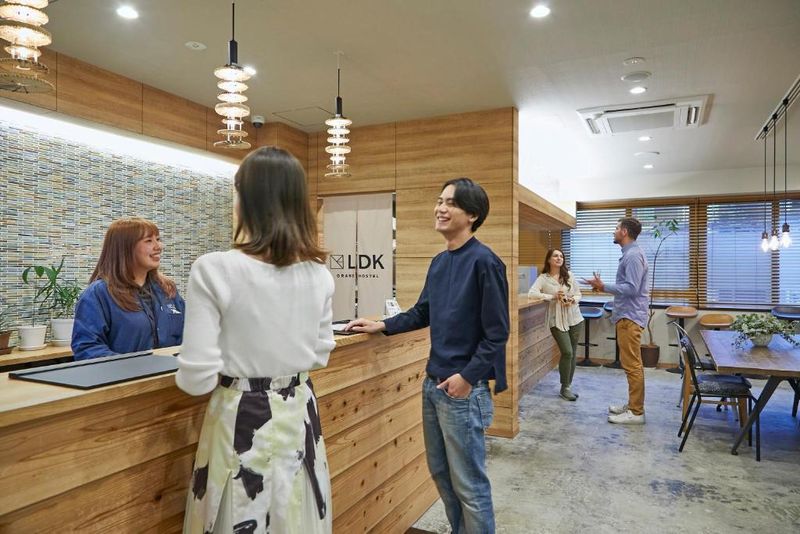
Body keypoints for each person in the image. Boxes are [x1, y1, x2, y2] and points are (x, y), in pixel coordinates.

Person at [176, 147, 335, 534]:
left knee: (237, 514)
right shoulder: (318, 275)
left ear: (246, 199)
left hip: (240, 418)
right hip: (299, 413)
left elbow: (196, 379)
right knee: (297, 516)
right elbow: (319, 354)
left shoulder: (214, 269)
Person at [346, 177, 509, 534]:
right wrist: (381, 325)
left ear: (472, 215)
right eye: (439, 201)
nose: (440, 208)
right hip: (433, 386)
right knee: (442, 476)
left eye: (450, 203)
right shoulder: (439, 262)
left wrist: (467, 377)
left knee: (470, 487)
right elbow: (423, 312)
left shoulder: (486, 262)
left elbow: (497, 333)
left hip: (465, 391)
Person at [71, 217, 185, 360]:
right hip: (123, 374)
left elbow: (190, 333)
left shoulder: (167, 289)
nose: (159, 246)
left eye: (158, 239)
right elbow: (87, 348)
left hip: (173, 372)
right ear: (126, 248)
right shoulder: (98, 294)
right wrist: (132, 365)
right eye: (149, 241)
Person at [584, 217, 649, 425]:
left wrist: (603, 286)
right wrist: (602, 287)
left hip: (630, 317)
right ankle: (633, 405)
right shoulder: (630, 254)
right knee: (631, 364)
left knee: (632, 365)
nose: (614, 231)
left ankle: (636, 413)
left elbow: (632, 288)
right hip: (627, 315)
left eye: (616, 228)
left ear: (624, 232)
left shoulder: (633, 256)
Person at [528, 249, 583, 401]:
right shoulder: (543, 278)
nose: (559, 258)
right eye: (555, 256)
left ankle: (567, 387)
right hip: (556, 320)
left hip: (574, 318)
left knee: (572, 353)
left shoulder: (569, 275)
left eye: (561, 256)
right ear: (549, 260)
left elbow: (578, 294)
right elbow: (532, 293)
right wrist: (552, 296)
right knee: (567, 352)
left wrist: (572, 299)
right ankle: (564, 387)